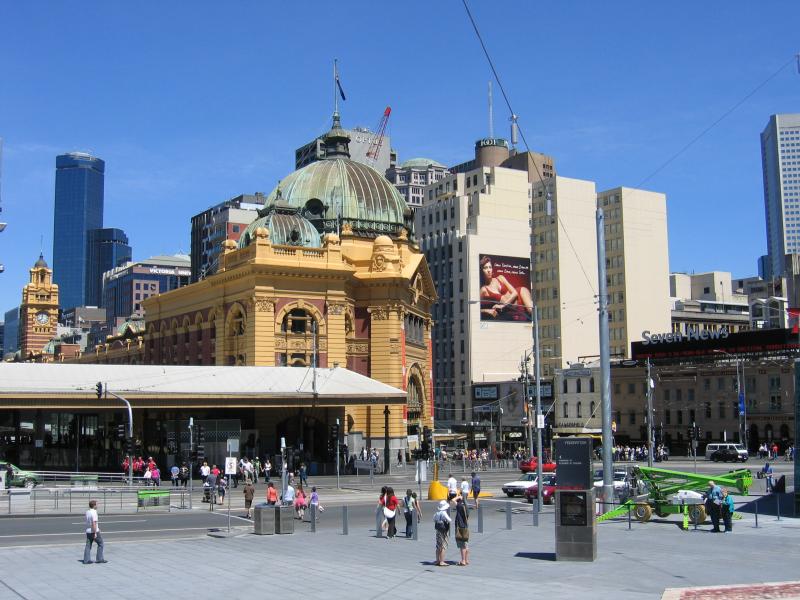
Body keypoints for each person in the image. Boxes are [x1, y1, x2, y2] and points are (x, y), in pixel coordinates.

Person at [479, 255, 532, 320]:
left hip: (521, 293)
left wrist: (503, 306)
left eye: (490, 267)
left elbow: (515, 292)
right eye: (485, 268)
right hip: (514, 310)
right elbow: (474, 308)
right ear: (482, 270)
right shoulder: (484, 290)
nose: (489, 270)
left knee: (531, 310)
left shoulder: (500, 278)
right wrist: (487, 311)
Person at [83, 500, 107, 564]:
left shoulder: (87, 512)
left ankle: (86, 560)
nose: (97, 506)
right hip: (93, 531)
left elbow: (89, 521)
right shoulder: (94, 512)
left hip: (88, 531)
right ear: (94, 505)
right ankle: (99, 559)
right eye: (96, 504)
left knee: (88, 545)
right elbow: (94, 523)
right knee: (101, 544)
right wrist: (95, 532)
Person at [433, 500, 452, 566]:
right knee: (443, 546)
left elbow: (434, 519)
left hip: (438, 530)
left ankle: (437, 560)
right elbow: (449, 520)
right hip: (443, 531)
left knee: (438, 546)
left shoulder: (437, 513)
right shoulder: (444, 513)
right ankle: (442, 561)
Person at [454, 496, 470, 566]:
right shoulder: (466, 507)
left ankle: (463, 561)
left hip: (460, 526)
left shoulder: (459, 506)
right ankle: (466, 560)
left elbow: (453, 500)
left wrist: (458, 497)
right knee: (466, 544)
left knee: (462, 545)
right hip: (465, 526)